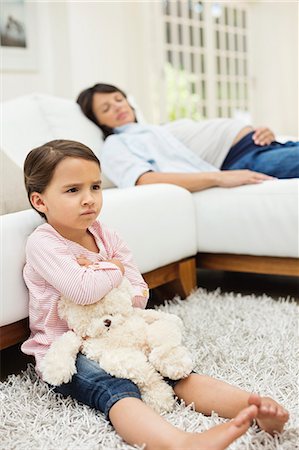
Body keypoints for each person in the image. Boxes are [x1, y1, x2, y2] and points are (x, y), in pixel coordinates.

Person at [21, 139, 289, 450]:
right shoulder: (43, 243)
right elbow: (82, 291)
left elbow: (139, 295)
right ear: (40, 201)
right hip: (69, 351)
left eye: (95, 187)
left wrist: (107, 274)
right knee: (116, 389)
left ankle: (253, 407)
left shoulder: (106, 234)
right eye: (73, 190)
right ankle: (179, 443)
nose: (89, 199)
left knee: (172, 369)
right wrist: (114, 270)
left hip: (120, 335)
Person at [77, 83, 299, 192]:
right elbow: (142, 179)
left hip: (263, 145)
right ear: (100, 121)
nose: (117, 107)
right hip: (239, 160)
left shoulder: (154, 130)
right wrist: (218, 178)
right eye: (106, 108)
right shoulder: (116, 144)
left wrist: (263, 132)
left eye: (118, 99)